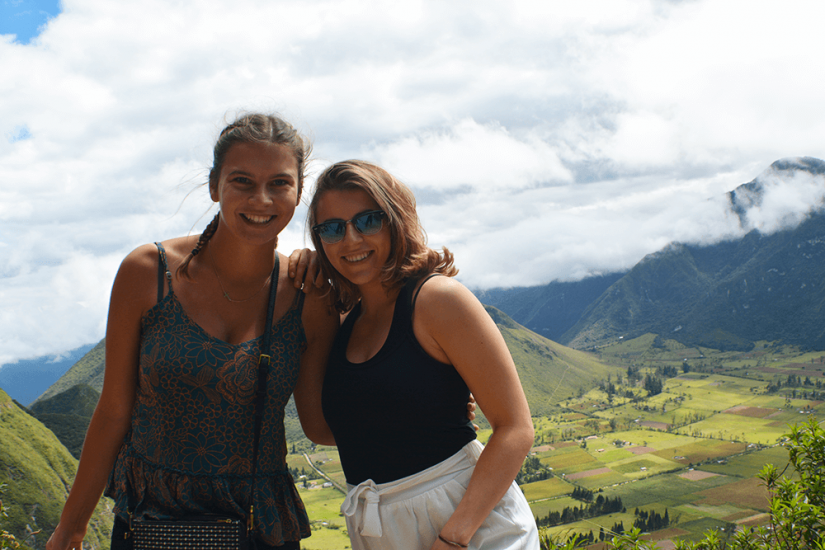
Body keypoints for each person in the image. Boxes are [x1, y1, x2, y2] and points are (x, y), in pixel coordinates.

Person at [46, 113, 339, 550]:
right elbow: (113, 410)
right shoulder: (149, 273)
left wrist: (425, 411)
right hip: (152, 521)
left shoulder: (308, 293)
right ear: (213, 186)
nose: (261, 199)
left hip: (260, 526)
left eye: (279, 183)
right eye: (242, 180)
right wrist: (71, 527)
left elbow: (318, 423)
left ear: (298, 193)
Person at [307, 160, 539, 549]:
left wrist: (454, 538)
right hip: (377, 525)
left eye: (368, 220)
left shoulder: (437, 300)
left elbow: (516, 429)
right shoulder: (344, 321)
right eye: (332, 228)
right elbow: (324, 430)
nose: (350, 240)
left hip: (465, 521)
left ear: (396, 220)